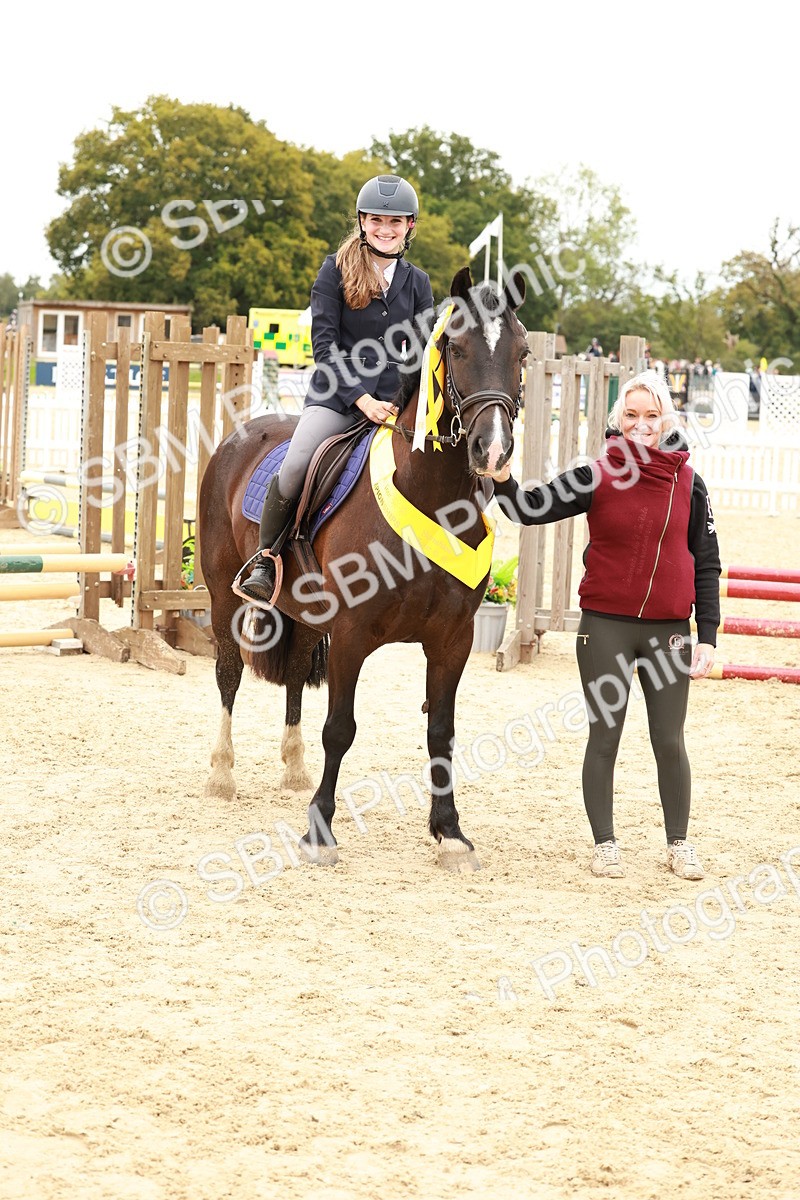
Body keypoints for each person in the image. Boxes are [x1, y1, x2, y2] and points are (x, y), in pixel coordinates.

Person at [493, 370, 721, 881]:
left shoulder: (689, 482)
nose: (642, 424)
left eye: (652, 415)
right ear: (620, 420)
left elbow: (706, 562)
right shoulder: (596, 475)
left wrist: (707, 635)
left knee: (670, 741)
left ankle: (679, 844)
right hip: (605, 629)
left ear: (666, 421)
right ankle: (605, 845)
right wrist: (502, 478)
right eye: (632, 415)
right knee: (604, 737)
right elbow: (528, 509)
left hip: (669, 632)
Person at [239, 174, 434, 603]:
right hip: (339, 398)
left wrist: (407, 404)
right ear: (363, 221)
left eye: (395, 222)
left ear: (409, 226)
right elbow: (324, 346)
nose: (386, 229)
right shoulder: (335, 270)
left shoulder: (418, 282)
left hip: (395, 405)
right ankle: (266, 559)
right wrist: (362, 400)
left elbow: (421, 353)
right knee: (296, 463)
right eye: (377, 220)